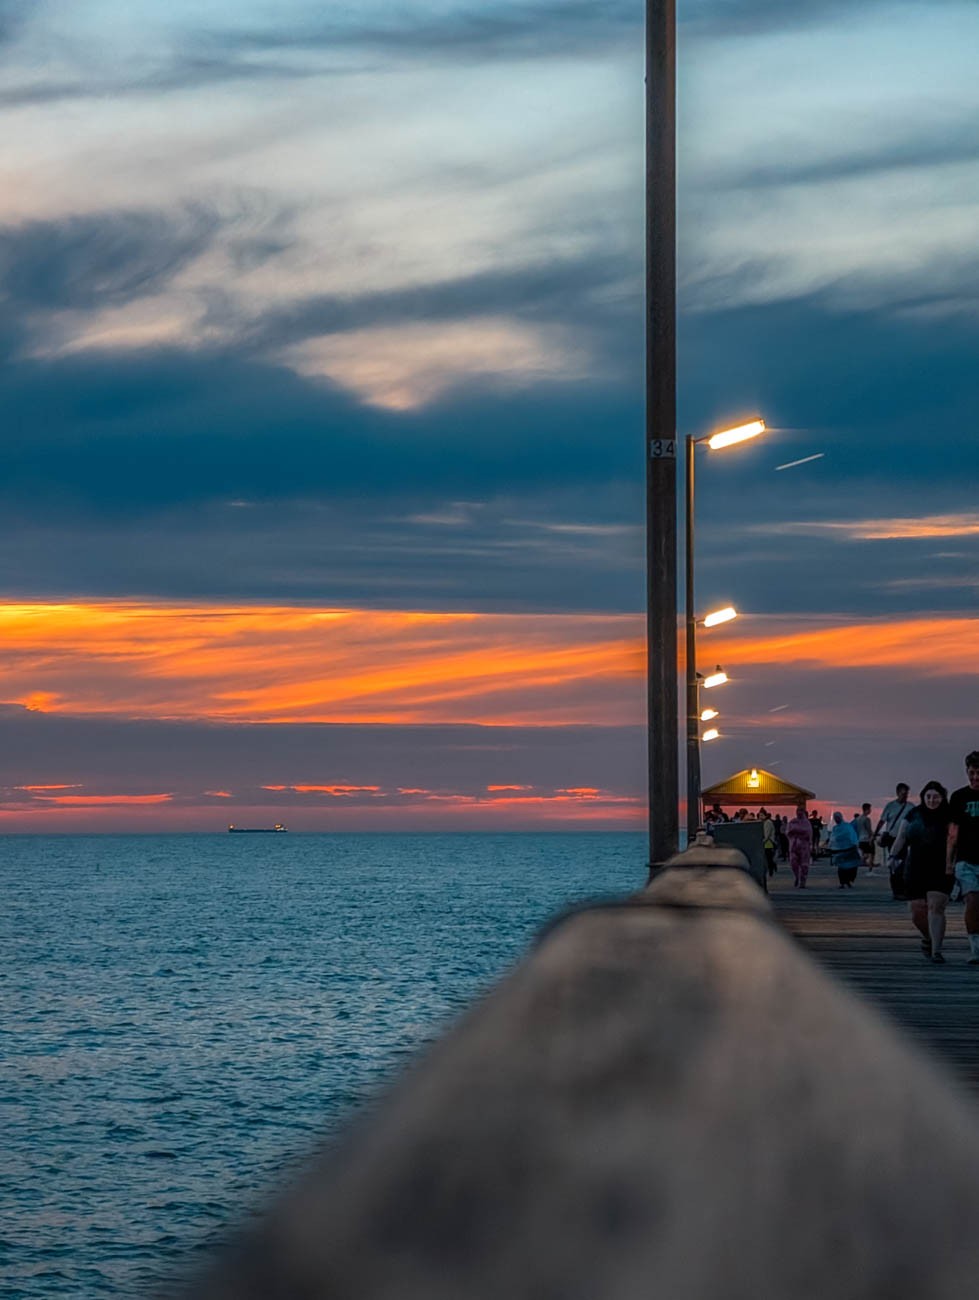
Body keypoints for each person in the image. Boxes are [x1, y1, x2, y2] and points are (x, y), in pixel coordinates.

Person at [891, 782, 953, 963]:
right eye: (928, 796)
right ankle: (928, 938)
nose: (932, 800)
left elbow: (956, 839)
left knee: (936, 906)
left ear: (942, 797)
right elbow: (901, 837)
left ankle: (936, 951)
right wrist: (893, 856)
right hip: (915, 866)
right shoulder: (913, 814)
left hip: (941, 867)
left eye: (936, 797)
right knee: (916, 910)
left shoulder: (950, 814)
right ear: (923, 797)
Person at [948, 750, 979, 966]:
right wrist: (948, 863)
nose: (975, 777)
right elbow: (953, 832)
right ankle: (976, 949)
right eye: (972, 772)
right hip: (966, 860)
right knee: (972, 901)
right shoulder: (959, 797)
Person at [874, 783, 916, 899]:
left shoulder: (911, 807)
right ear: (897, 793)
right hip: (892, 839)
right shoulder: (890, 806)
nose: (905, 796)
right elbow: (882, 821)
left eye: (906, 794)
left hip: (906, 839)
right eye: (903, 794)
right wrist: (875, 834)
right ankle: (897, 891)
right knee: (894, 865)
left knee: (904, 864)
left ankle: (903, 890)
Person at [828, 811, 861, 888]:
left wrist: (855, 844)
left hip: (849, 848)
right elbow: (833, 839)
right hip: (840, 850)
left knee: (851, 866)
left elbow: (852, 836)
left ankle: (847, 881)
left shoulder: (847, 826)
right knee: (842, 867)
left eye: (837, 818)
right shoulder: (836, 828)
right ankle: (843, 882)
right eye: (835, 818)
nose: (836, 819)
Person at [787, 804, 812, 888]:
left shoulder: (806, 823)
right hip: (793, 846)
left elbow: (808, 833)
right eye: (798, 811)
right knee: (793, 862)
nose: (799, 812)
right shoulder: (793, 821)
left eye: (801, 811)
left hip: (804, 847)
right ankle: (797, 876)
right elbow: (788, 832)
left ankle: (803, 881)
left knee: (804, 865)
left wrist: (797, 831)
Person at [855, 802, 874, 870]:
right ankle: (870, 868)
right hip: (866, 839)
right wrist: (872, 836)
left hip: (860, 839)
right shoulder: (867, 819)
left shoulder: (858, 819)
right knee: (871, 853)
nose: (870, 810)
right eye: (870, 809)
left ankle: (862, 861)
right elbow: (869, 830)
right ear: (867, 809)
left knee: (864, 853)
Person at [761, 811, 777, 877]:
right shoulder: (767, 822)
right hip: (768, 842)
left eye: (762, 815)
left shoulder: (767, 823)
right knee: (769, 857)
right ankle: (772, 866)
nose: (760, 817)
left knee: (768, 857)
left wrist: (763, 841)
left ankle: (771, 869)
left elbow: (767, 835)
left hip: (768, 842)